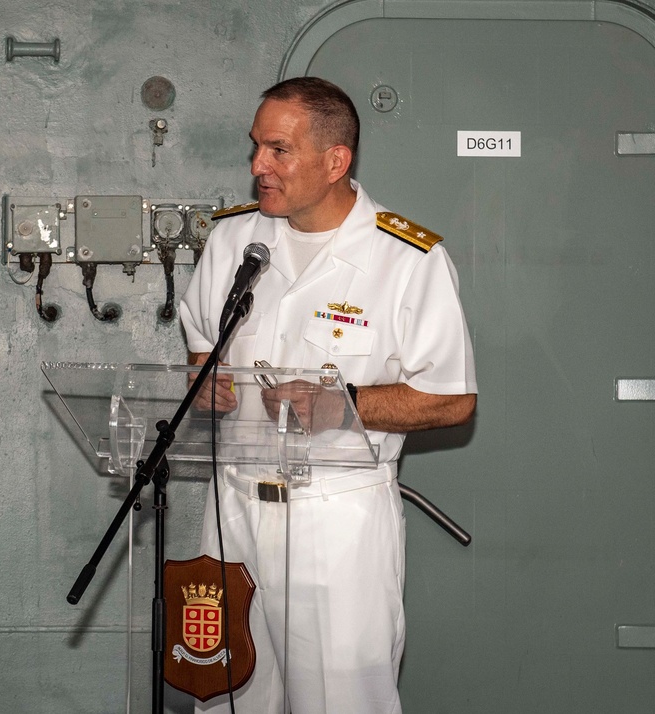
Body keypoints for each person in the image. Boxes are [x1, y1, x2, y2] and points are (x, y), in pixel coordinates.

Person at [178, 77, 477, 713]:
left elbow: (452, 400)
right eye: (256, 147)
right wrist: (207, 388)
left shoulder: (407, 258)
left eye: (278, 151)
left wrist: (344, 405)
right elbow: (203, 354)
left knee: (341, 702)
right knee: (227, 697)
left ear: (335, 160)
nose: (258, 165)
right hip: (231, 507)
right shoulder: (233, 241)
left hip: (335, 517)